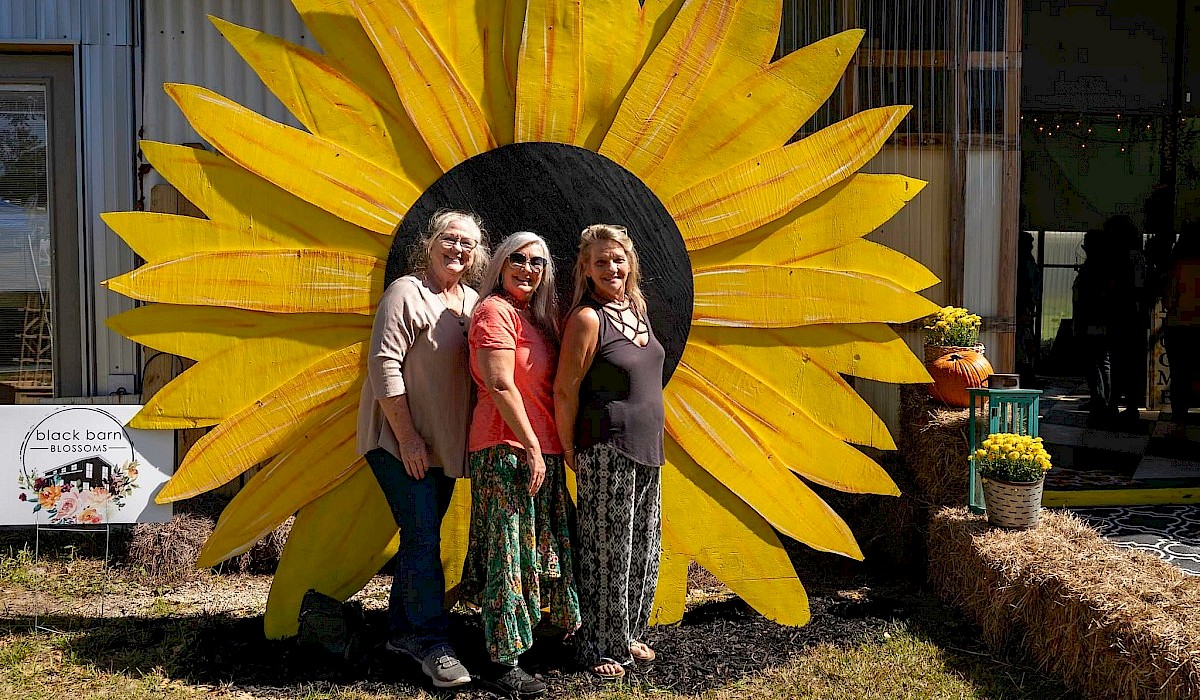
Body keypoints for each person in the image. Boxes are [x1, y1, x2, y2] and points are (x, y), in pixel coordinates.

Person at [356, 210, 488, 688]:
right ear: (429, 244)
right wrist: (408, 437)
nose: (459, 250)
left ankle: (401, 633)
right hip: (398, 442)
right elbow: (384, 363)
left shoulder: (472, 302)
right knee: (422, 537)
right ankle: (433, 643)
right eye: (450, 240)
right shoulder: (407, 293)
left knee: (420, 536)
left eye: (468, 244)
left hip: (442, 447)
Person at [460, 231, 580, 698]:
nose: (528, 268)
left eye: (538, 262)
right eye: (519, 259)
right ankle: (502, 660)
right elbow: (499, 383)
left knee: (538, 547)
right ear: (500, 263)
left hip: (538, 449)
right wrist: (530, 444)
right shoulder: (493, 311)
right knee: (507, 552)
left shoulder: (534, 318)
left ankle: (534, 640)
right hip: (504, 447)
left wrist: (548, 447)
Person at [553, 224, 666, 679]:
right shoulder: (587, 318)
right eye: (601, 261)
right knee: (607, 552)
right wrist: (569, 451)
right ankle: (600, 648)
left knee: (643, 547)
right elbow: (565, 390)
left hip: (647, 449)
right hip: (606, 449)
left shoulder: (637, 310)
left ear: (630, 262)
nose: (611, 268)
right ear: (586, 268)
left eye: (617, 259)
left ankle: (629, 633)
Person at [1164, 228, 1200, 427]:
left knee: (1179, 373)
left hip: (1178, 326)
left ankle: (1180, 414)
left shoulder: (1178, 267)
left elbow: (1169, 301)